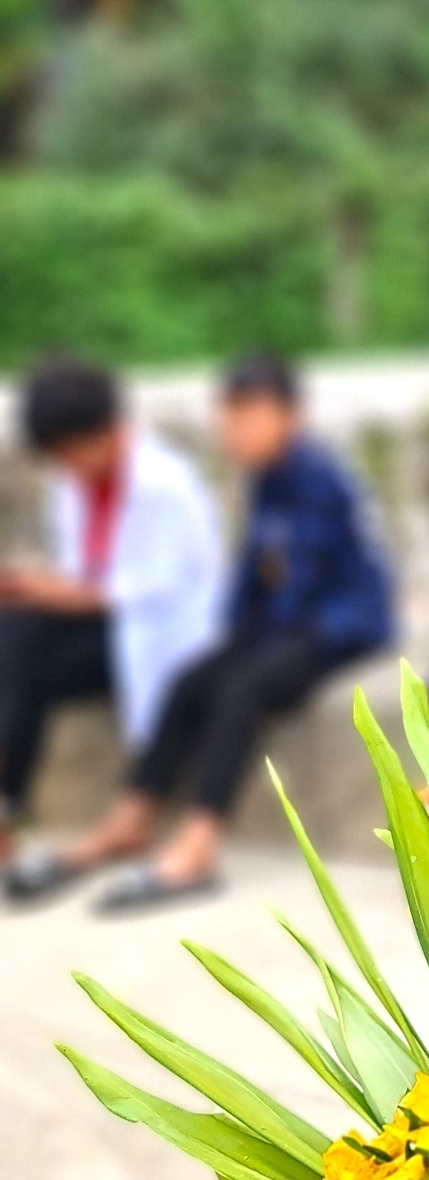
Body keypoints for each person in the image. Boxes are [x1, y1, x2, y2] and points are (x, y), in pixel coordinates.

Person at [25, 352, 395, 912]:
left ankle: (198, 843)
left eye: (251, 416)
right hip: (288, 622)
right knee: (190, 679)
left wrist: (250, 640)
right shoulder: (267, 479)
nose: (236, 432)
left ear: (290, 416)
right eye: (229, 418)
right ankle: (131, 817)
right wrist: (234, 633)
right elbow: (255, 569)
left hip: (341, 625)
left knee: (241, 687)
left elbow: (305, 581)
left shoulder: (315, 477)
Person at [0, 357, 221, 878]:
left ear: (101, 433)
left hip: (161, 635)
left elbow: (147, 590)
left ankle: (9, 802)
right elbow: (83, 572)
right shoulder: (72, 486)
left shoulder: (165, 483)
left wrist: (45, 591)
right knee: (16, 636)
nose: (65, 464)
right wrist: (40, 590)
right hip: (109, 629)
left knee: (21, 639)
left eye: (68, 450)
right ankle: (9, 802)